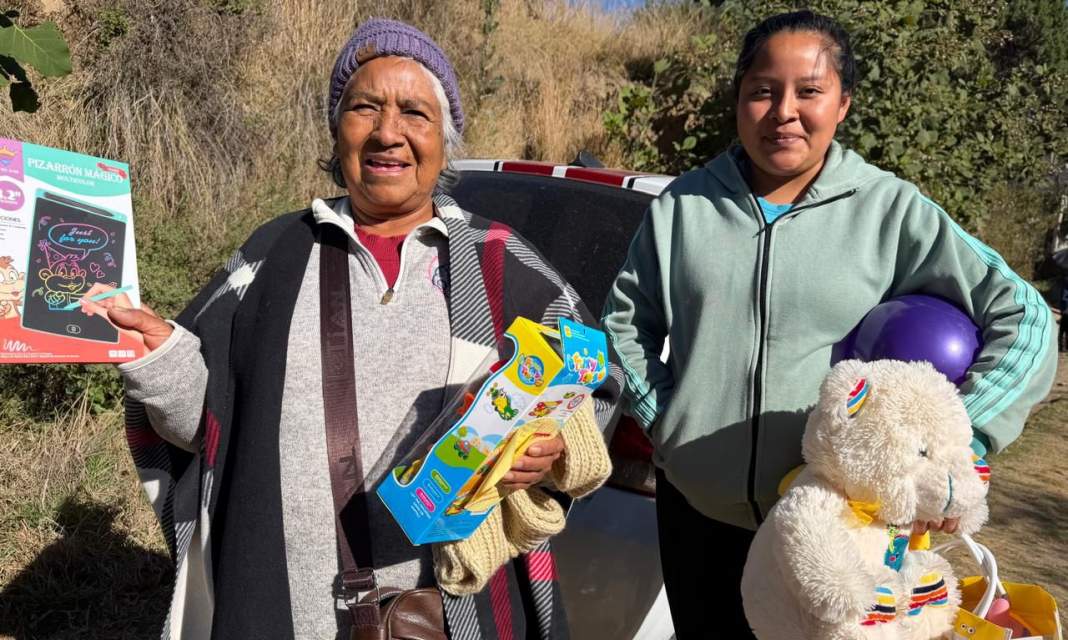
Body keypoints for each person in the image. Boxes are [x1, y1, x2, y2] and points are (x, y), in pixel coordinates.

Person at [80, 18, 618, 640]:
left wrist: (549, 454)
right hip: (282, 606)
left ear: (445, 140)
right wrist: (163, 358)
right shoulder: (271, 256)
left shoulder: (502, 264)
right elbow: (202, 427)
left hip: (444, 614)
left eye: (415, 112)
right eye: (365, 107)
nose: (389, 132)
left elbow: (592, 387)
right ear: (337, 132)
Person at [601, 10, 1057, 639]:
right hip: (696, 516)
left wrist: (961, 440)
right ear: (739, 99)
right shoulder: (685, 206)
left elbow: (1025, 316)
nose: (783, 110)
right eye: (762, 89)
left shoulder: (889, 209)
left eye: (808, 91)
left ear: (842, 104)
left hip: (839, 535)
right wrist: (668, 422)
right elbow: (625, 324)